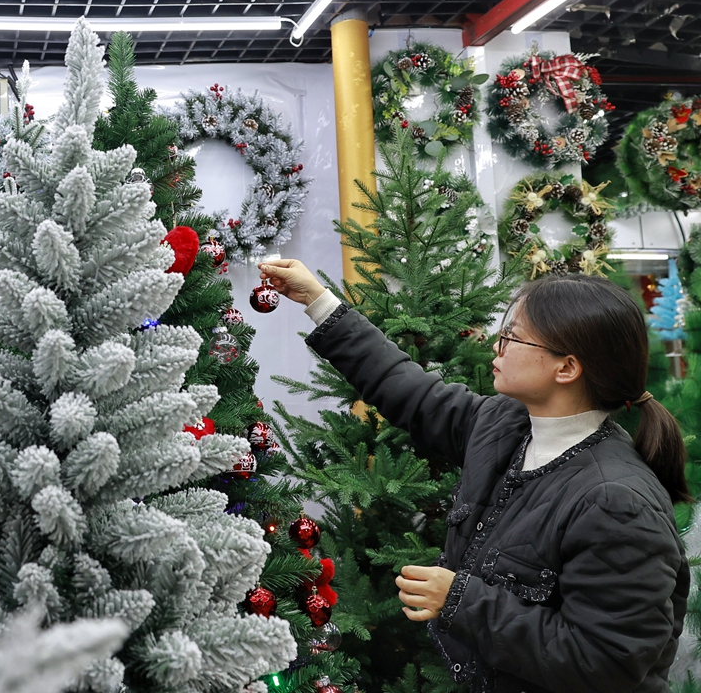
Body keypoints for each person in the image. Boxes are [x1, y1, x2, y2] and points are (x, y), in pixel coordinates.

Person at [259, 259, 690, 693]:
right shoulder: (506, 424)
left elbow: (606, 664)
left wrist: (462, 601)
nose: (496, 348)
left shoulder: (616, 502)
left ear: (566, 368)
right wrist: (317, 300)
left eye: (513, 337)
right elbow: (406, 387)